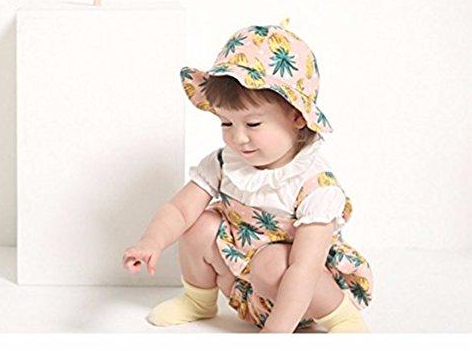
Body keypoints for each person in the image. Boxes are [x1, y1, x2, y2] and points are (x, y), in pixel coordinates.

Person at [122, 20, 374, 333]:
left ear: (297, 117)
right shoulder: (225, 163)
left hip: (300, 296)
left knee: (271, 263)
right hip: (245, 286)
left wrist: (276, 332)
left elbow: (304, 268)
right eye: (226, 123)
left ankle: (342, 317)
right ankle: (198, 301)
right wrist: (152, 241)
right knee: (199, 224)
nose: (238, 138)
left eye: (253, 124)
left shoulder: (314, 186)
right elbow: (179, 209)